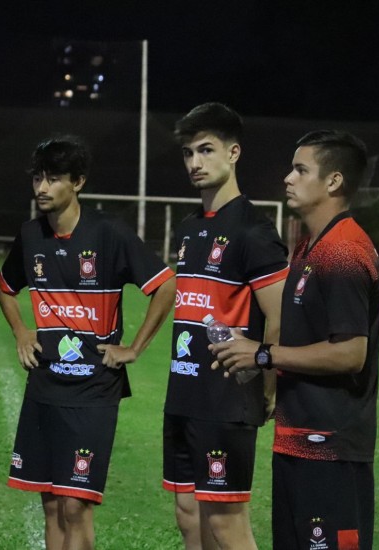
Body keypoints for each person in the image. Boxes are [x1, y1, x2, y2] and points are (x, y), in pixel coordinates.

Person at [0, 136, 176, 550]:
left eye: (53, 179)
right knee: (51, 502)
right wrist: (23, 332)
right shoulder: (30, 236)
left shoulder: (109, 233)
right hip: (44, 387)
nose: (42, 188)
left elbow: (165, 286)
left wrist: (133, 348)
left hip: (94, 390)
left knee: (75, 506)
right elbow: (5, 288)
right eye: (38, 178)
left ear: (77, 182)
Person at [212, 130, 379, 550]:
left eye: (301, 169)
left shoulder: (344, 250)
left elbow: (350, 352)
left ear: (334, 182)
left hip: (331, 447)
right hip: (297, 440)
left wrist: (264, 353)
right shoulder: (309, 246)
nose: (288, 178)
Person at [162, 103, 289, 550]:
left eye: (206, 150)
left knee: (226, 523)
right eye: (188, 153)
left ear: (233, 153)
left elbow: (280, 315)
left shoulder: (255, 230)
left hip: (227, 397)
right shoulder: (189, 227)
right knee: (188, 515)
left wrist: (267, 386)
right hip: (183, 392)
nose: (195, 163)